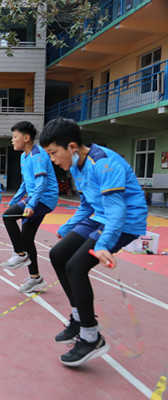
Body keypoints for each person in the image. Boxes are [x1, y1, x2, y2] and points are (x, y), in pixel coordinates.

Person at [40, 118, 147, 367]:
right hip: (100, 216)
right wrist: (68, 227)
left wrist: (103, 245)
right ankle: (79, 317)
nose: (54, 160)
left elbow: (117, 211)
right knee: (58, 255)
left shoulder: (104, 164)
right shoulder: (77, 166)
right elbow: (88, 203)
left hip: (123, 221)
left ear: (73, 147)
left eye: (54, 153)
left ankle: (91, 336)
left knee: (76, 267)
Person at [2, 121, 59, 294]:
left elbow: (42, 182)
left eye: (15, 137)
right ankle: (35, 278)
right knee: (27, 238)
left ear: (26, 138)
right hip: (35, 198)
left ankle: (20, 255)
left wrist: (31, 204)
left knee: (8, 217)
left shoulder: (38, 154)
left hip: (44, 199)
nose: (12, 140)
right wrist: (14, 201)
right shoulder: (23, 157)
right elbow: (26, 183)